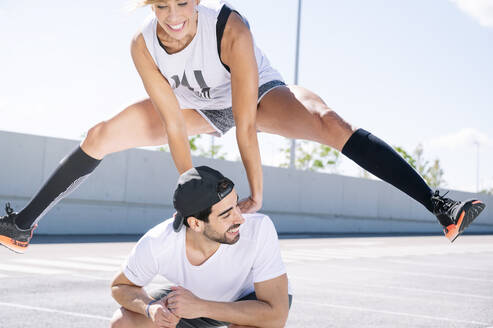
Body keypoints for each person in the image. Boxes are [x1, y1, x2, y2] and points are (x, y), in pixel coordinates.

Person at [0, 0, 485, 253]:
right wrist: (189, 192)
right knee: (100, 134)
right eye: (161, 7)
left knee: (327, 120)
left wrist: (256, 191)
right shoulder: (141, 45)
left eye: (183, 5)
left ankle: (438, 204)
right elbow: (172, 124)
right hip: (197, 107)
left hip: (256, 96)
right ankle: (22, 225)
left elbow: (245, 125)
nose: (173, 19)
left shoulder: (230, 27)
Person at [110, 166, 292, 328]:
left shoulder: (259, 229)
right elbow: (121, 286)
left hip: (252, 302)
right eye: (227, 214)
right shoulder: (159, 242)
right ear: (196, 224)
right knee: (123, 322)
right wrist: (151, 308)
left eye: (235, 204)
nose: (241, 218)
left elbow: (276, 315)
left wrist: (201, 306)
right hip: (194, 302)